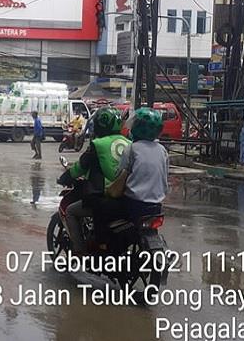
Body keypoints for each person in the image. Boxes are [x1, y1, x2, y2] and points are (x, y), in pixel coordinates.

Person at [57, 107, 130, 255]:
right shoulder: (129, 142)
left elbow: (81, 167)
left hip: (103, 196)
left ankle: (80, 253)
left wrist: (65, 177)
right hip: (126, 196)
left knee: (70, 212)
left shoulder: (98, 144)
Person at [108, 107, 169, 221]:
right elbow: (164, 177)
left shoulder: (132, 148)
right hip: (156, 204)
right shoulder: (162, 150)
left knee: (106, 210)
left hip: (133, 203)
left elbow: (118, 174)